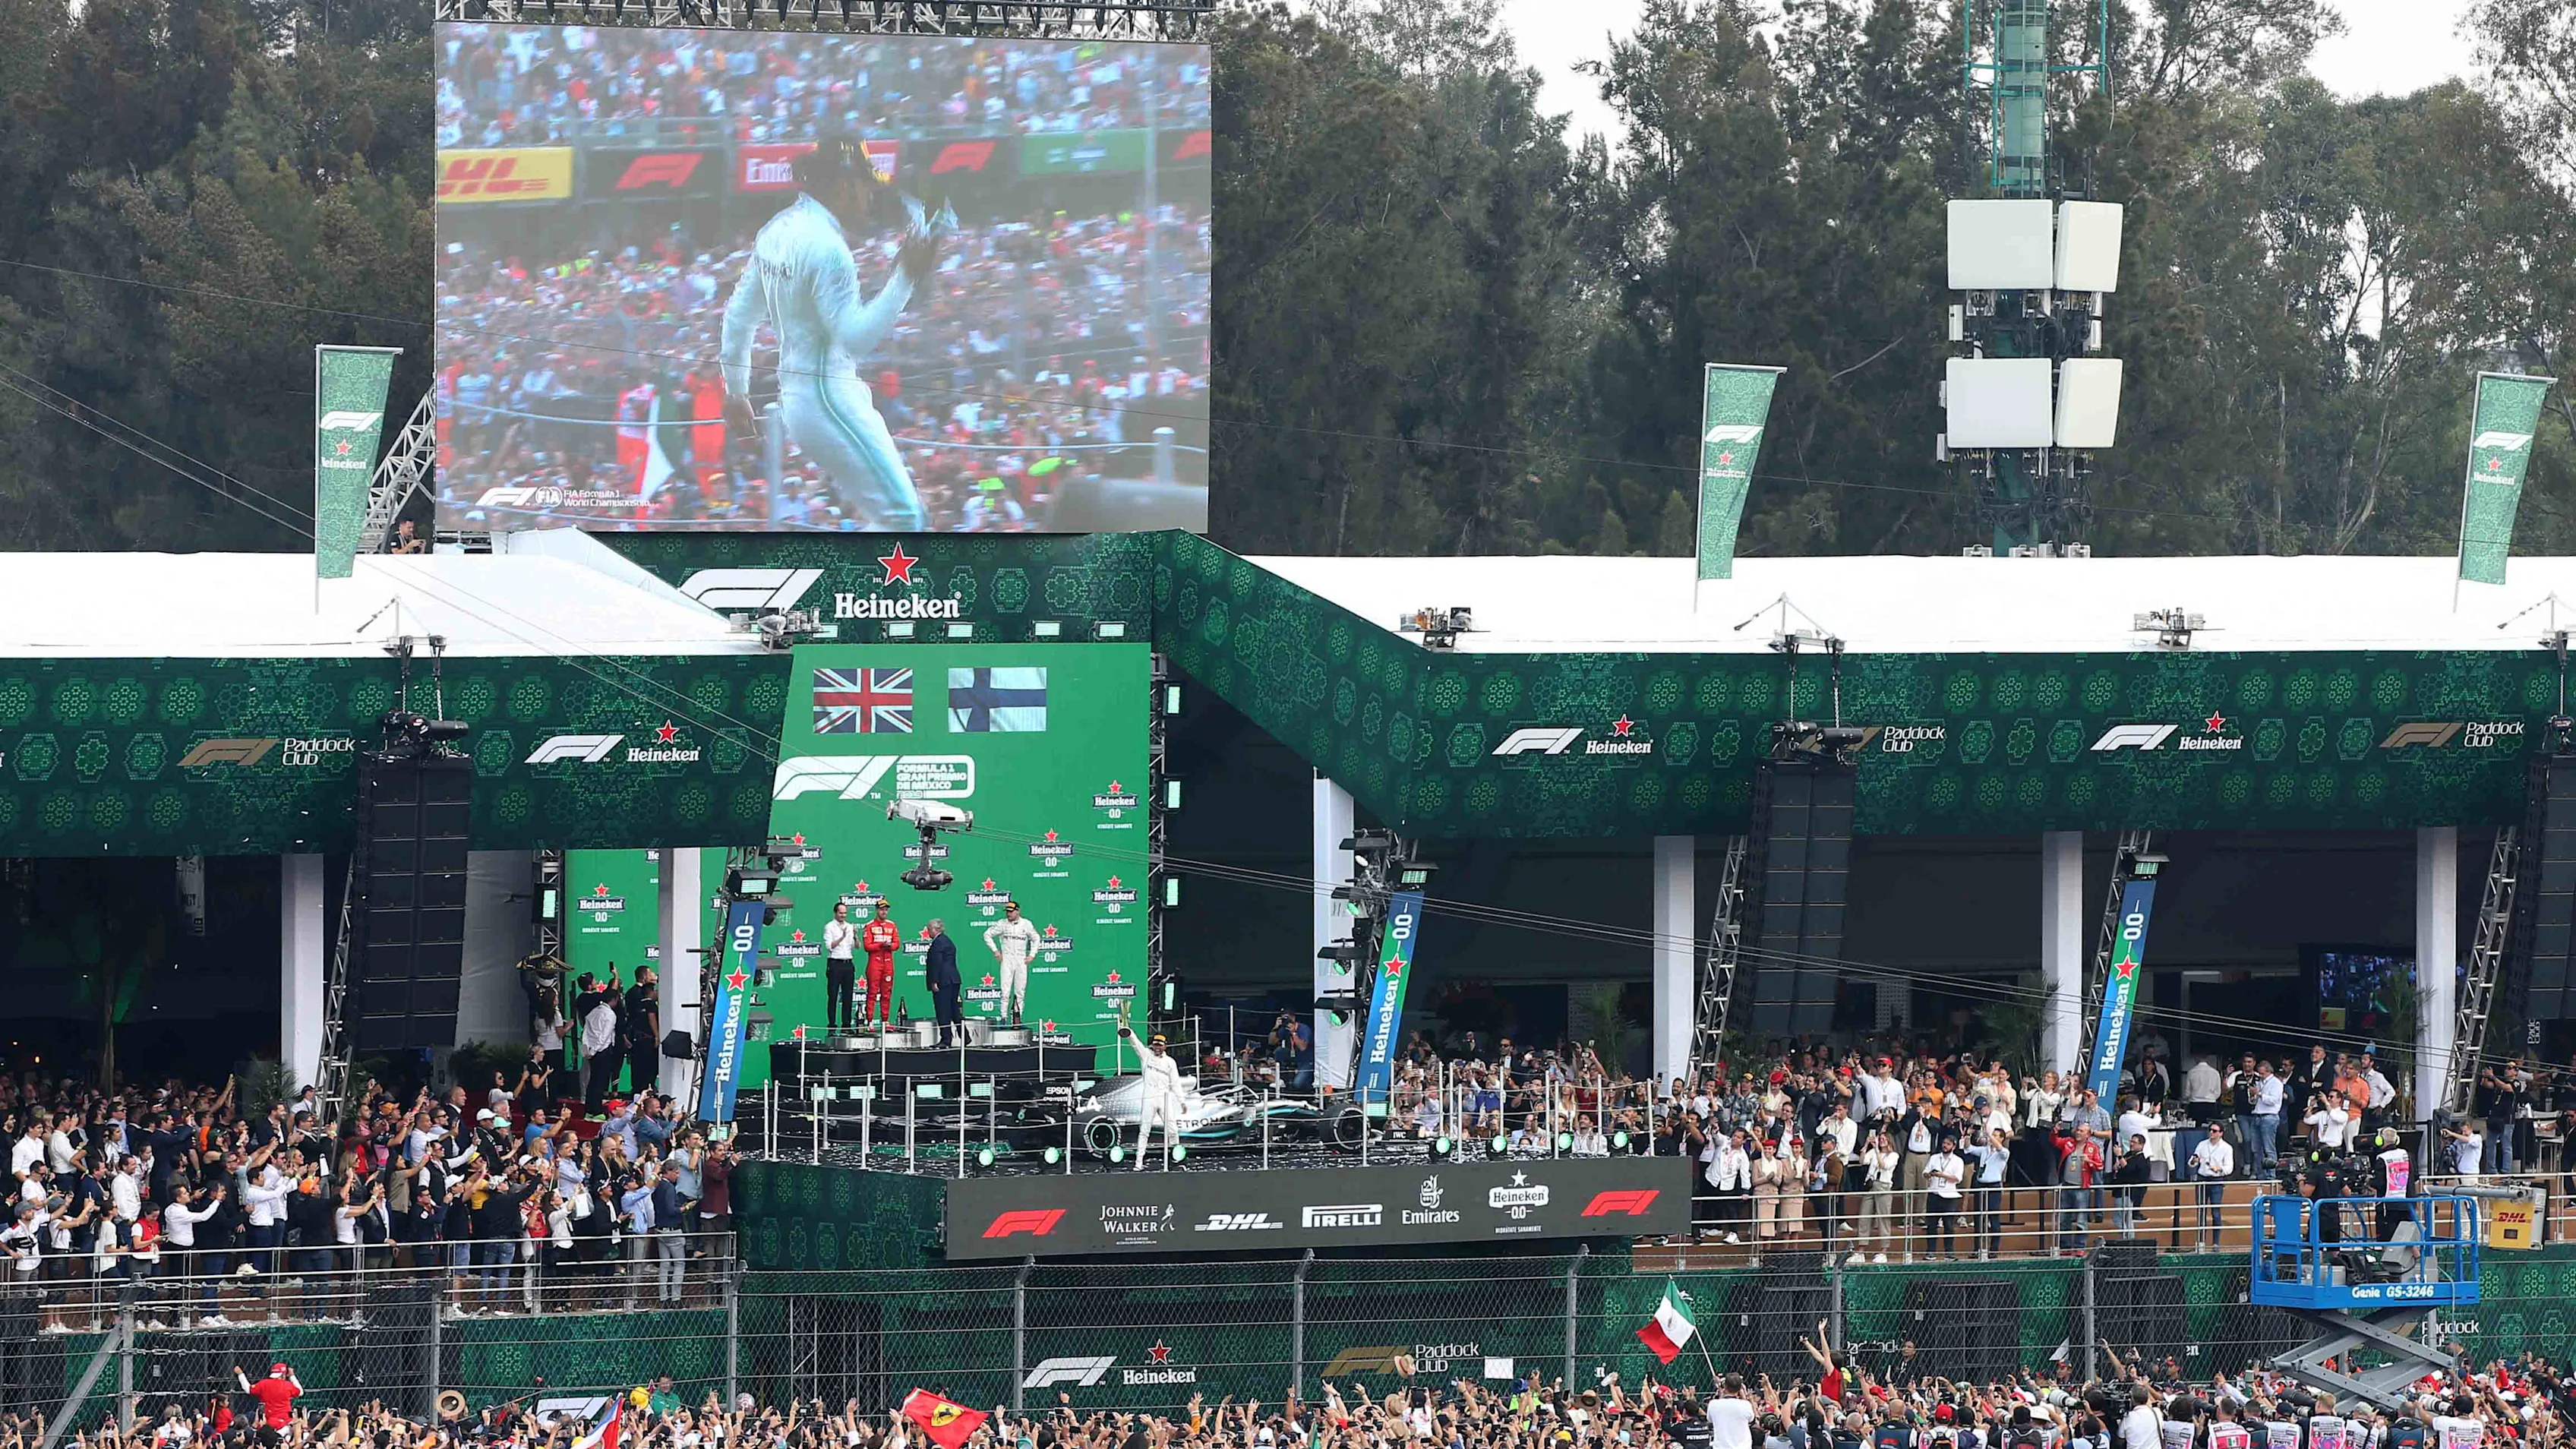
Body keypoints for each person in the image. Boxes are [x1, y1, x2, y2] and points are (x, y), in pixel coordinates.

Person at [719, 132, 942, 530]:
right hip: (828, 397)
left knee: (903, 515)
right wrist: (906, 276)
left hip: (801, 401)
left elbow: (738, 316)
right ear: (843, 186)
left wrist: (736, 391)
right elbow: (856, 340)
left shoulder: (777, 230)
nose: (870, 197)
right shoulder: (829, 249)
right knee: (907, 519)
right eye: (865, 186)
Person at [1120, 1027, 1188, 1170]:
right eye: (1155, 1045)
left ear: (1165, 1046)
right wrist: (1128, 1032)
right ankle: (1138, 1162)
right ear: (1152, 1045)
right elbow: (1136, 1043)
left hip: (1164, 1098)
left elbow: (1175, 1083)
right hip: (1149, 1098)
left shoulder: (1170, 1062)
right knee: (1144, 1131)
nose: (1157, 1048)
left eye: (1160, 1045)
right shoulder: (1146, 1056)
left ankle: (1177, 1160)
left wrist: (1182, 1101)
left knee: (1173, 1130)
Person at [986, 901, 1040, 1023]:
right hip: (1007, 959)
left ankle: (1017, 1018)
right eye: (1007, 912)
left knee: (1020, 991)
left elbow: (1036, 938)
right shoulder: (1002, 924)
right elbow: (987, 935)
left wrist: (1032, 955)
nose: (1008, 914)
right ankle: (1003, 1017)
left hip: (1021, 960)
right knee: (1005, 991)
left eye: (1011, 911)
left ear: (1018, 911)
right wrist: (996, 951)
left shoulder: (1026, 924)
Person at [2189, 1120, 2236, 1249]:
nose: (2211, 1133)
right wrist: (2194, 1160)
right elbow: (2192, 1162)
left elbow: (2229, 1168)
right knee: (2201, 1210)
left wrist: (2219, 1168)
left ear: (2221, 1133)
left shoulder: (2227, 1148)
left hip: (2216, 1181)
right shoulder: (2202, 1144)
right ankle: (2201, 1242)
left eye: (2214, 1131)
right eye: (2210, 1130)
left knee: (2215, 1211)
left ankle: (2216, 1243)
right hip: (2202, 1179)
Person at [861, 900, 903, 1025]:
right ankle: (870, 1022)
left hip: (888, 962)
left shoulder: (892, 925)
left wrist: (890, 946)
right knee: (872, 992)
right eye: (881, 909)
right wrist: (880, 945)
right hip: (875, 962)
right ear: (876, 910)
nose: (884, 912)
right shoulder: (869, 926)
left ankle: (885, 1021)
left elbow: (897, 944)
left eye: (886, 910)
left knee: (887, 993)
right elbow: (867, 946)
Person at [624, 965, 661, 1095]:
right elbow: (649, 1017)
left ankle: (642, 1091)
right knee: (644, 1067)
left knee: (640, 1067)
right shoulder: (639, 996)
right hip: (642, 1038)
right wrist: (656, 1035)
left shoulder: (634, 994)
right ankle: (643, 1092)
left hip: (638, 1037)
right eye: (651, 973)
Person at [822, 900, 859, 1034]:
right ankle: (832, 1026)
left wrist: (855, 936)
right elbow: (829, 946)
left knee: (848, 997)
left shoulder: (850, 926)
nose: (843, 915)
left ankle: (846, 1026)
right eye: (841, 913)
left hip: (848, 964)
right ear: (835, 913)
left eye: (845, 913)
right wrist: (843, 936)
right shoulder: (829, 927)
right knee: (833, 996)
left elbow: (857, 947)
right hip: (834, 964)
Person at [925, 918, 962, 1046]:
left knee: (943, 1011)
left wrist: (934, 981)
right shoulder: (947, 940)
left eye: (929, 929)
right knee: (954, 1009)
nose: (928, 932)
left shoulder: (938, 943)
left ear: (935, 929)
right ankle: (965, 1036)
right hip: (954, 979)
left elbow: (936, 963)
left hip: (943, 981)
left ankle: (946, 1039)